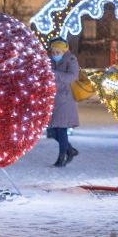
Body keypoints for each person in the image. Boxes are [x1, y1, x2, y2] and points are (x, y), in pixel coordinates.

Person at [48, 38, 80, 167]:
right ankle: (70, 150)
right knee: (52, 131)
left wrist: (55, 74)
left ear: (64, 50)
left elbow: (72, 77)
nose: (55, 54)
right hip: (52, 99)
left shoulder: (71, 60)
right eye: (53, 52)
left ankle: (61, 158)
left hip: (65, 99)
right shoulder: (50, 60)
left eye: (58, 52)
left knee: (61, 130)